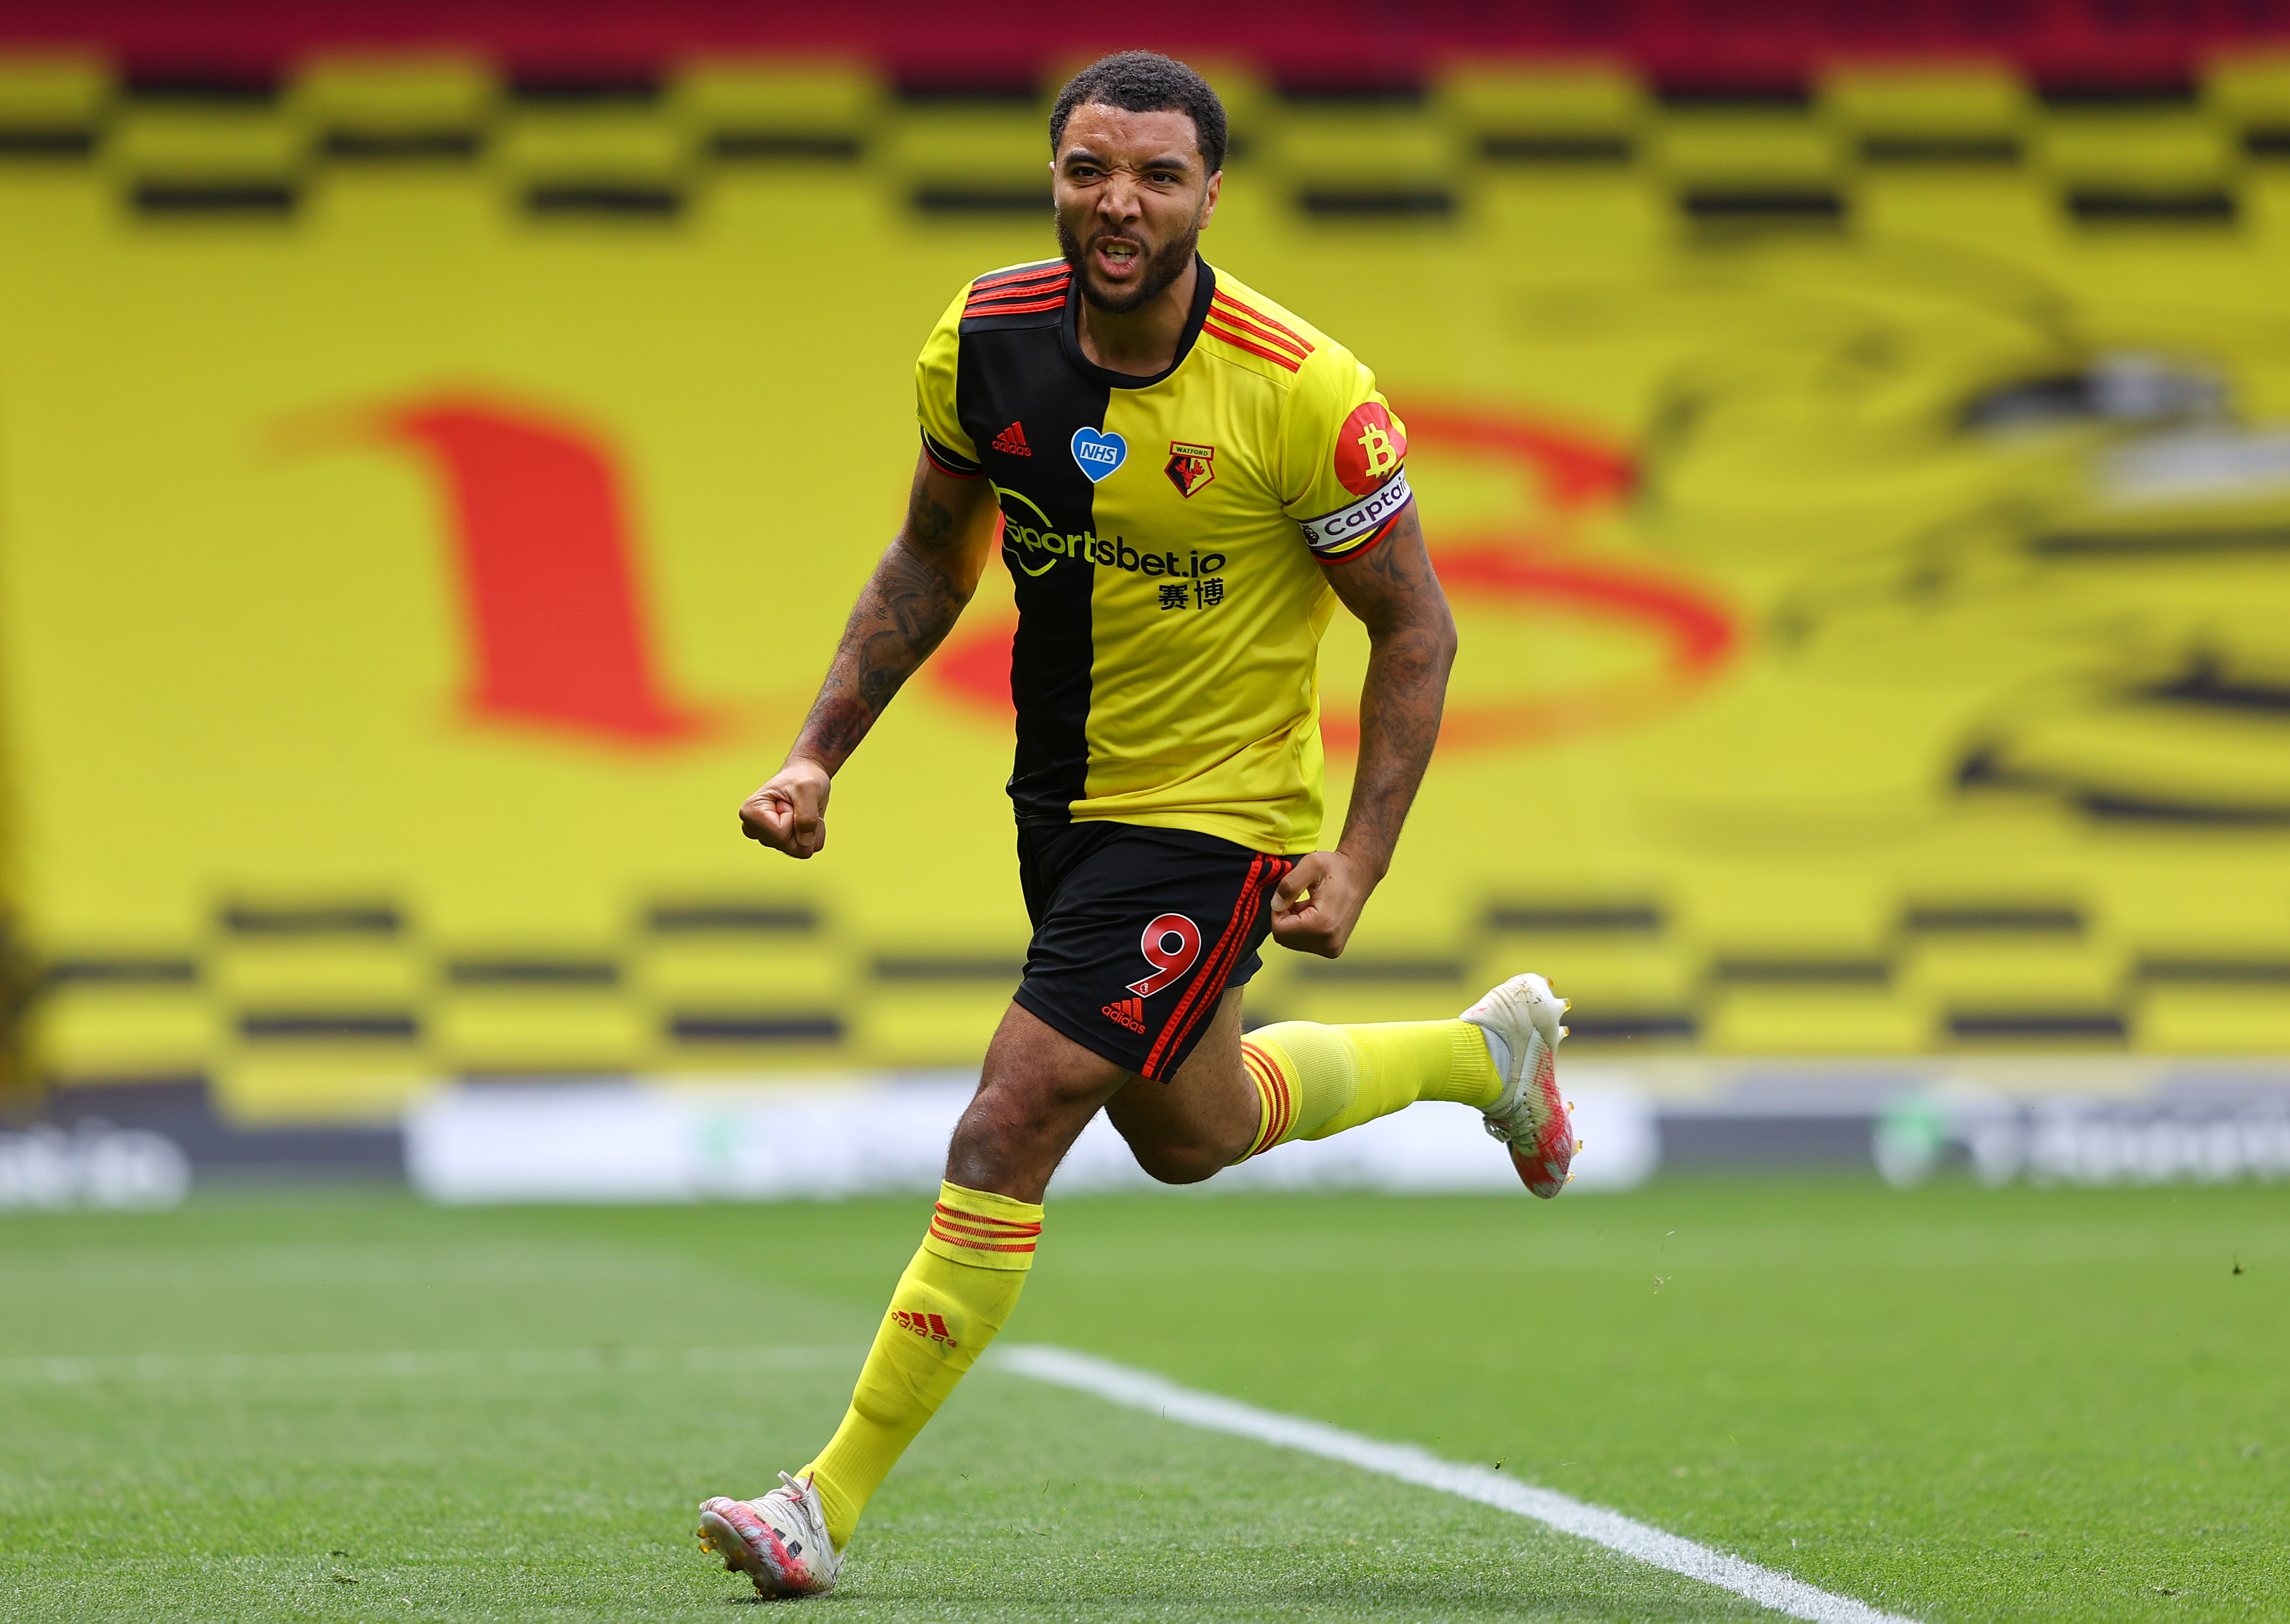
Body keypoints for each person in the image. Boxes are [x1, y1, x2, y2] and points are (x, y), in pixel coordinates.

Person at [696, 50, 1573, 1599]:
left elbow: (1417, 632)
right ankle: (1479, 1058)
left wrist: (1356, 857)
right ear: (1053, 174)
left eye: (1157, 176)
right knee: (1192, 1130)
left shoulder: (1305, 393)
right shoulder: (982, 342)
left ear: (1208, 197)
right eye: (1091, 168)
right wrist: (818, 752)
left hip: (1219, 818)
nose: (1120, 202)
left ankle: (820, 1503)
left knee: (1010, 1112)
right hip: (1063, 806)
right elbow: (923, 564)